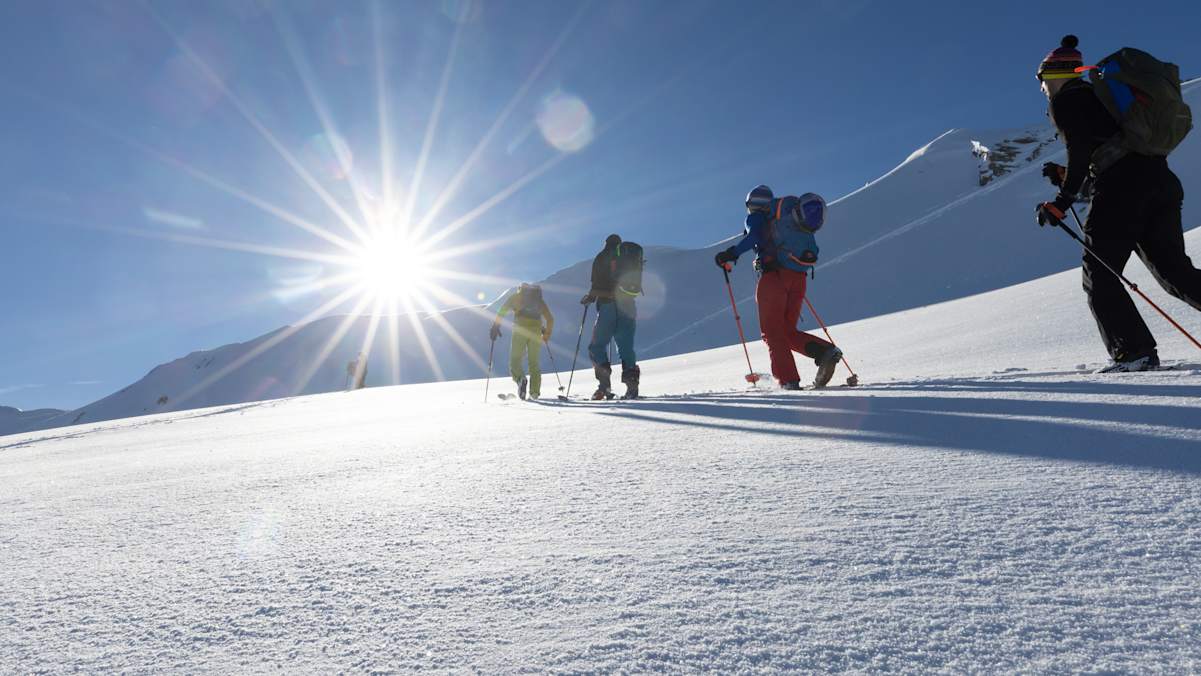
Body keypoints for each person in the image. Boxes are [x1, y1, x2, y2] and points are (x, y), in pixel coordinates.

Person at [1035, 35, 1201, 372]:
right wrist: (1069, 177)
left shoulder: (1067, 100)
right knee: (1174, 271)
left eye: (1041, 78)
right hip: (1160, 181)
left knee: (1099, 274)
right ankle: (1136, 351)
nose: (1041, 87)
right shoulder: (1102, 98)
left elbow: (1082, 149)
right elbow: (1111, 154)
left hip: (1122, 189)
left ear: (1054, 74)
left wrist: (1063, 200)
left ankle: (1134, 353)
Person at [714, 185, 842, 389]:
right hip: (798, 277)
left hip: (774, 278)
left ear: (751, 204)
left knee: (772, 333)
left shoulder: (756, 217)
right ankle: (825, 352)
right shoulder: (784, 218)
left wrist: (731, 253)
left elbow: (754, 237)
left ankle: (788, 381)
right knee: (787, 331)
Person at [580, 234, 640, 399]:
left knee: (597, 347)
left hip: (607, 305)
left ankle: (604, 386)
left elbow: (596, 284)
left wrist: (589, 298)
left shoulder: (602, 256)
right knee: (626, 347)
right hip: (628, 305)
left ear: (606, 243)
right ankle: (632, 387)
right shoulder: (629, 257)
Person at [490, 283, 554, 400]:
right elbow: (550, 319)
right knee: (534, 363)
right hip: (535, 333)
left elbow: (503, 310)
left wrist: (496, 326)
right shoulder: (539, 301)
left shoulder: (516, 297)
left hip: (520, 330)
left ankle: (520, 379)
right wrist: (546, 335)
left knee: (515, 360)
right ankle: (534, 393)